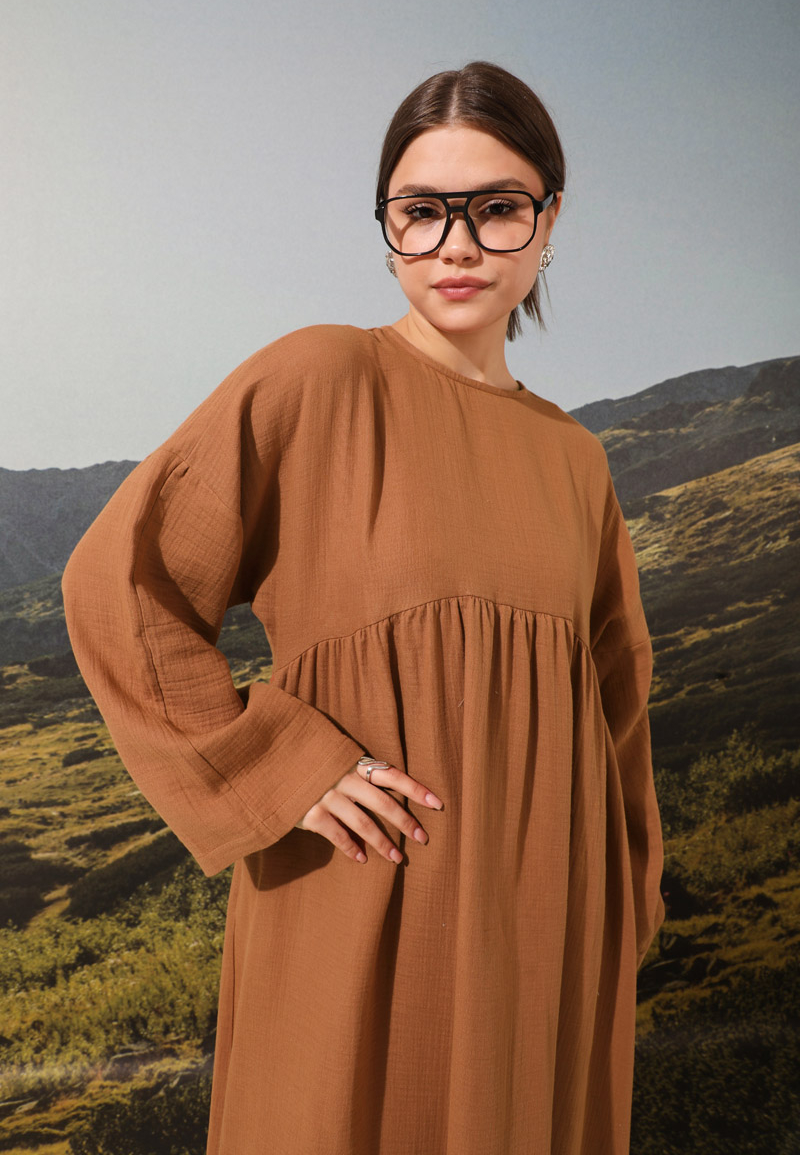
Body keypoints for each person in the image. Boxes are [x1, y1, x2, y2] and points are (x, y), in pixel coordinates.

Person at [62, 60, 665, 1155]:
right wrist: (274, 765)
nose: (456, 245)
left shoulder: (576, 460)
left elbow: (616, 706)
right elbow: (121, 582)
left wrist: (615, 906)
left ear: (548, 221)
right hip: (357, 899)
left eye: (496, 208)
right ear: (386, 227)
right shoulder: (319, 377)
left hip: (542, 929)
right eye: (421, 212)